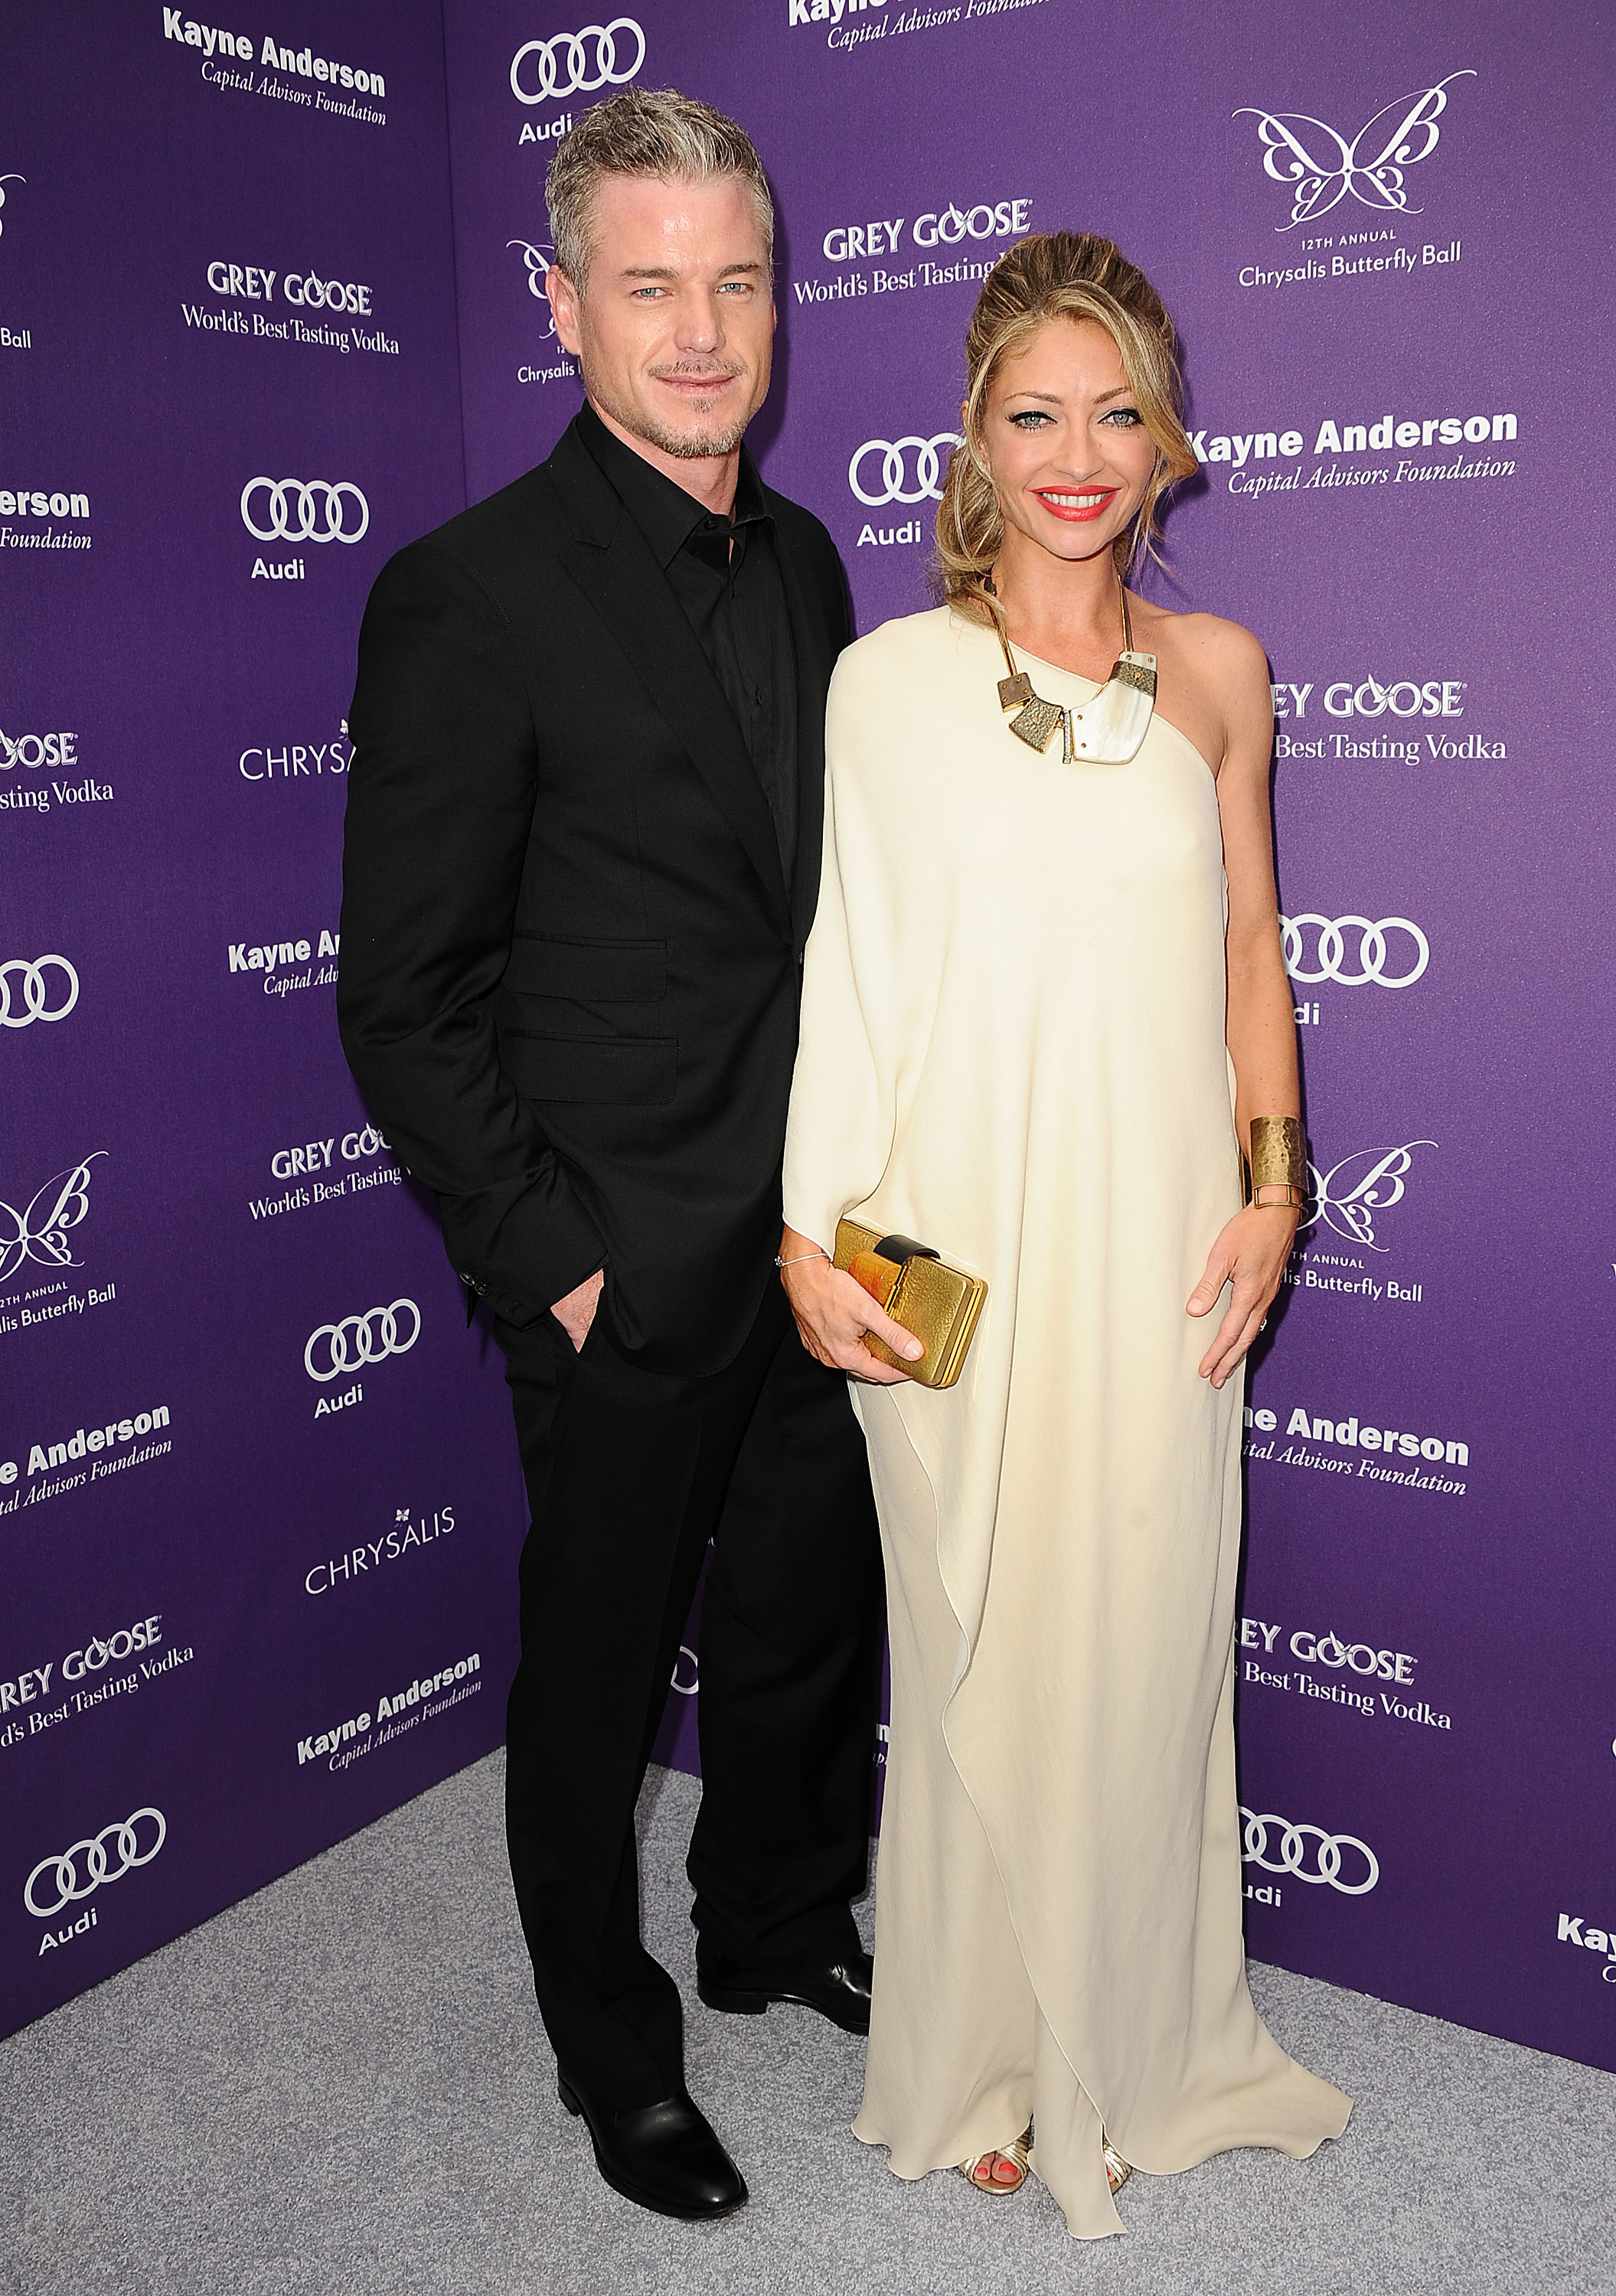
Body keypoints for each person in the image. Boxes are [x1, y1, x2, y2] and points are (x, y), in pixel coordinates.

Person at [336, 90, 885, 2224]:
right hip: (622, 1259)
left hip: (829, 1236)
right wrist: (558, 1264)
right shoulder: (467, 594)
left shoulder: (819, 558)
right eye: (647, 284)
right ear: (561, 304)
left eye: (734, 280)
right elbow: (405, 993)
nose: (698, 328)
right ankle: (612, 2044)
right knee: (589, 1679)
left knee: (803, 1623)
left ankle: (767, 1919)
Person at [779, 232, 1352, 2239]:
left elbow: (1255, 950)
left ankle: (1130, 2030)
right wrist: (811, 1243)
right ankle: (988, 2049)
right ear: (974, 437)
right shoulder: (888, 682)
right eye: (1035, 414)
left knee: (1138, 1632)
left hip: (1161, 1234)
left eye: (1118, 411)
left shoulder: (1220, 676)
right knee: (964, 1633)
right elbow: (852, 975)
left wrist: (1275, 1185)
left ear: (1170, 434)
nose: (1079, 454)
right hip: (943, 1243)